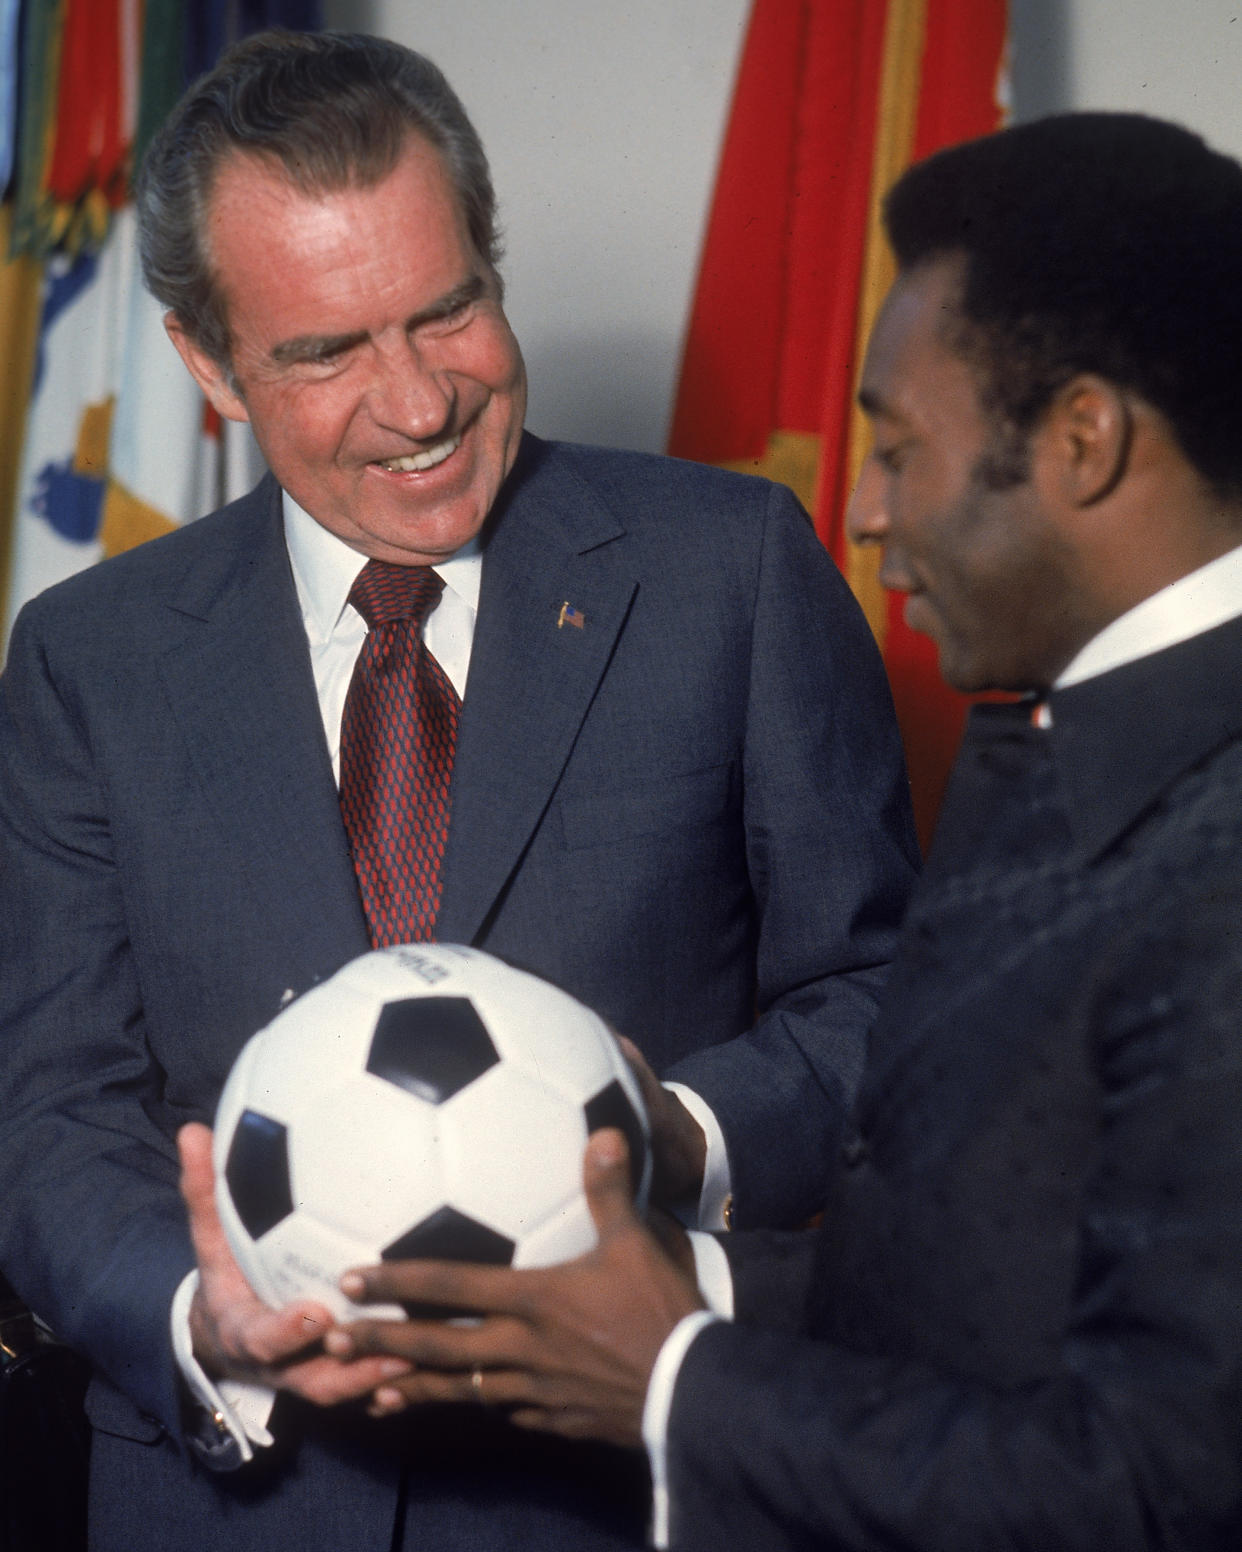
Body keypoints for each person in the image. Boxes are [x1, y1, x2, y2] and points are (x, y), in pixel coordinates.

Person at [0, 28, 917, 1552]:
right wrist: (198, 1322)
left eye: (448, 312)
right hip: (227, 1498)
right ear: (208, 367)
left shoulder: (733, 572)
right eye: (326, 351)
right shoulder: (87, 657)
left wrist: (671, 1135)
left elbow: (889, 996)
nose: (417, 403)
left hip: (625, 1498)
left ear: (492, 265)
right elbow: (49, 1103)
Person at [336, 112, 1242, 1551]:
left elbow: (1161, 1487)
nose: (864, 512)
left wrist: (677, 1375)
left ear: (1081, 440)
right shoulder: (1055, 748)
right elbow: (985, 1278)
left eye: (896, 448)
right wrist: (679, 1285)